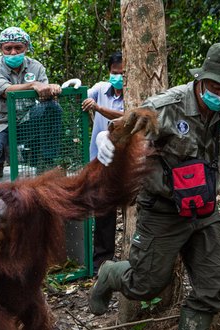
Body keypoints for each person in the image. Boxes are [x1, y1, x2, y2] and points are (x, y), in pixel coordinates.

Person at [88, 43, 220, 330]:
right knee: (145, 286)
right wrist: (108, 141)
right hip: (163, 208)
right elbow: (125, 127)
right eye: (215, 86)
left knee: (214, 286)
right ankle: (111, 273)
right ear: (201, 79)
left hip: (204, 208)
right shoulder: (166, 107)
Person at [0, 27, 62, 178]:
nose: (13, 52)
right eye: (8, 48)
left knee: (52, 108)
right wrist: (33, 85)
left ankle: (46, 160)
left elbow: (44, 96)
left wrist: (52, 89)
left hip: (24, 123)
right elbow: (6, 91)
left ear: (26, 47)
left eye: (18, 48)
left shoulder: (36, 67)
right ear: (1, 49)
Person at [81, 51, 125, 272]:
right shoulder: (100, 89)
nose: (118, 77)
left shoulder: (134, 91)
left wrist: (97, 108)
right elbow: (80, 96)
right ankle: (101, 260)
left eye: (122, 73)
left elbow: (123, 117)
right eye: (115, 73)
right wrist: (79, 93)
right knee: (103, 208)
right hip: (98, 159)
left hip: (124, 161)